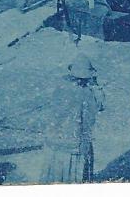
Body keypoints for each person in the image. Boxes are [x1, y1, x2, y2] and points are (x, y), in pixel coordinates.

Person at [39, 54, 105, 184]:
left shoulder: (60, 87)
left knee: (57, 170)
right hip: (76, 142)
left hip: (56, 139)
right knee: (75, 172)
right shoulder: (86, 93)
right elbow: (99, 107)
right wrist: (97, 88)